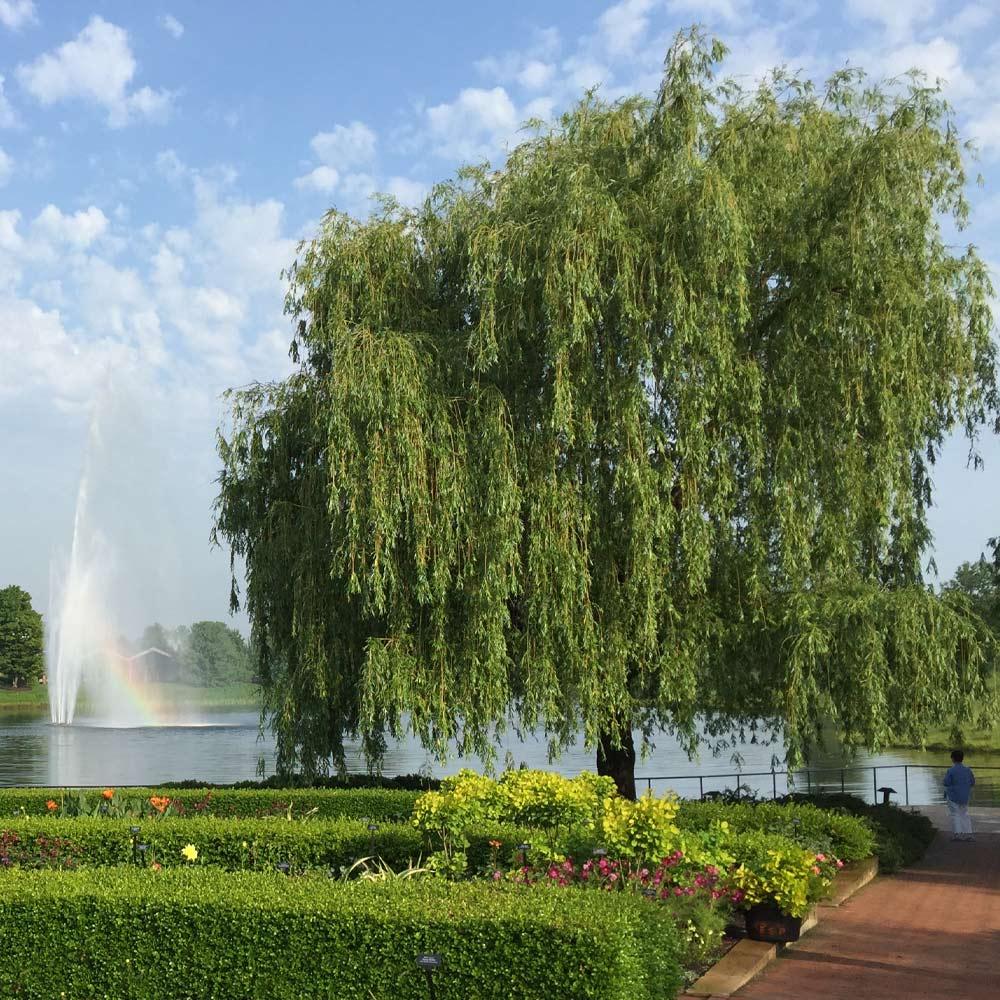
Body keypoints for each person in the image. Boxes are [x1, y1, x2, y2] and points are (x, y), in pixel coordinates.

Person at [943, 749, 975, 842]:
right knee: (964, 813)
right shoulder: (968, 770)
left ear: (952, 759)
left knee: (955, 814)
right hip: (965, 796)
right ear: (962, 759)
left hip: (953, 796)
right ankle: (968, 834)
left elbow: (946, 783)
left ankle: (957, 834)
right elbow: (972, 782)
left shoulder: (951, 770)